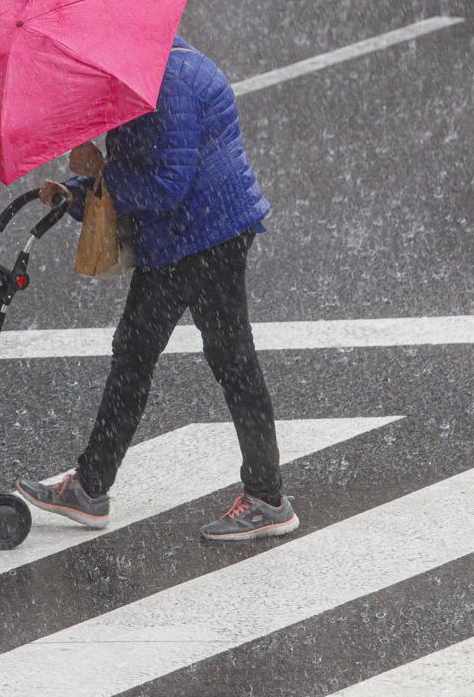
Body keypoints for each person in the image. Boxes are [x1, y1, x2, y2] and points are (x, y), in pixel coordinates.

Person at [15, 37, 299, 542]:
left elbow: (166, 182)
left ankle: (267, 497)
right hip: (191, 232)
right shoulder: (140, 78)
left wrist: (101, 176)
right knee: (156, 354)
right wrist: (79, 193)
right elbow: (144, 167)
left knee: (211, 358)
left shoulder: (167, 87)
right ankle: (94, 486)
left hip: (206, 233)